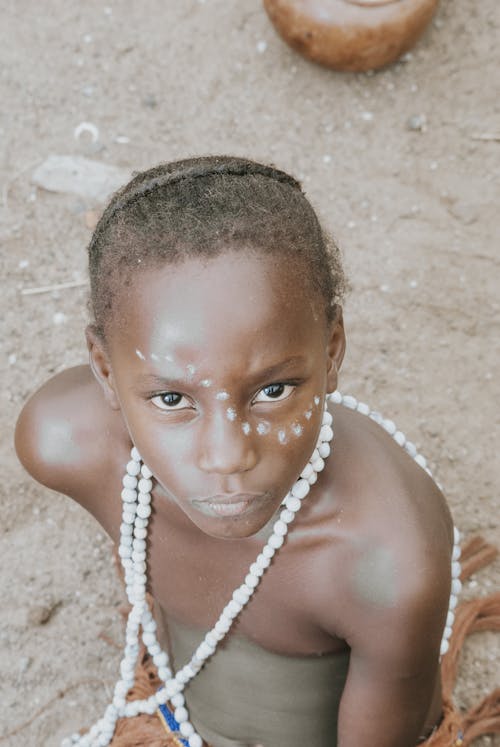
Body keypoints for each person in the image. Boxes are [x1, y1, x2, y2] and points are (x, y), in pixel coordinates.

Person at [14, 156, 463, 747]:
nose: (226, 457)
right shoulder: (69, 445)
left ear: (332, 351)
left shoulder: (384, 562)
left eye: (273, 391)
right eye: (173, 398)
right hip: (174, 712)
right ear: (105, 370)